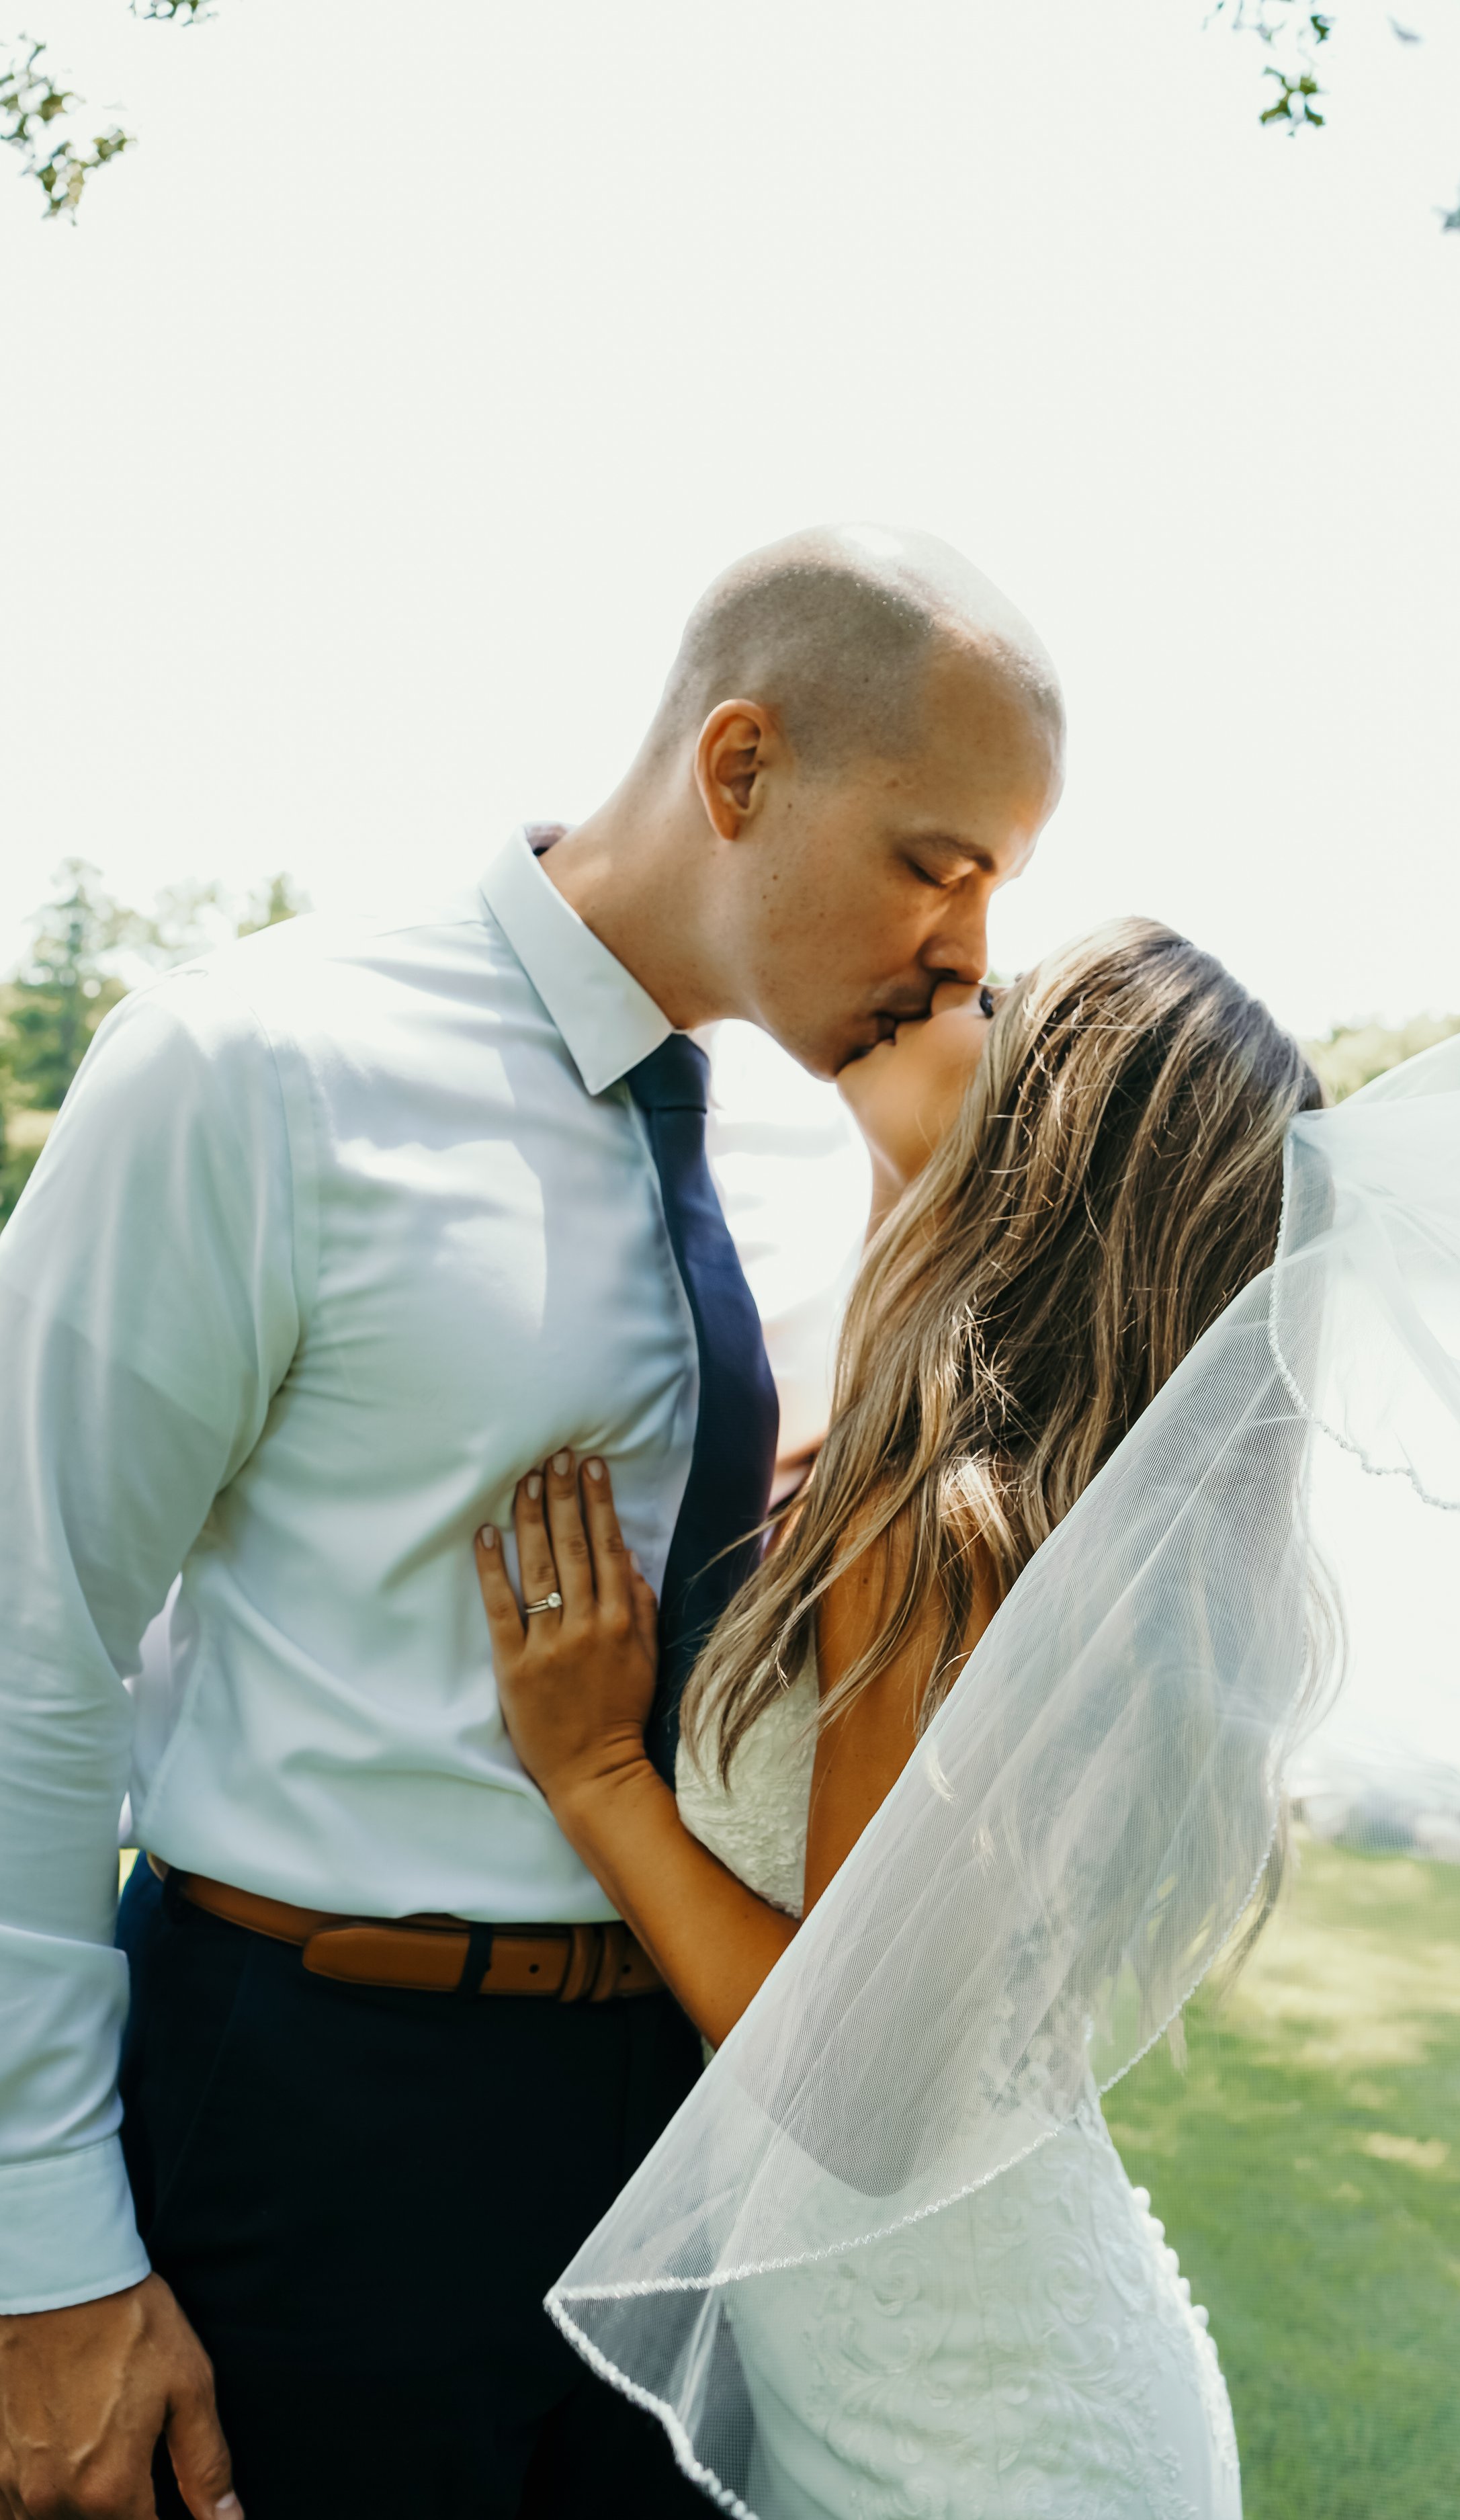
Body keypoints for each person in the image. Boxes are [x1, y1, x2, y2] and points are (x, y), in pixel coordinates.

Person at [0, 525, 1064, 2520]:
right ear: (738, 767)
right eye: (940, 858)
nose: (970, 945)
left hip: (677, 2143)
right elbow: (23, 1641)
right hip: (313, 2113)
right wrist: (33, 2246)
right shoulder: (256, 1067)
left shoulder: (817, 1145)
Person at [470, 921, 1323, 2516]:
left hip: (976, 2446)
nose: (940, 979)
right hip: (1011, 2376)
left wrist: (597, 1776)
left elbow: (850, 2093)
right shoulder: (967, 1493)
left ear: (1052, 1142)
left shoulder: (943, 1539)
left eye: (993, 1004)